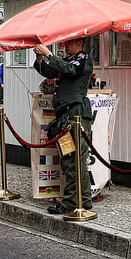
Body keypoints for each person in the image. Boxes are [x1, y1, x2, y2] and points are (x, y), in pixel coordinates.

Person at [33, 38, 93, 215]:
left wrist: (49, 54)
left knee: (75, 159)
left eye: (69, 43)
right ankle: (84, 199)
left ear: (79, 44)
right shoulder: (67, 60)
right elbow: (49, 71)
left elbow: (70, 70)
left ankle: (72, 202)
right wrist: (40, 59)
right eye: (65, 44)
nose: (65, 46)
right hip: (65, 115)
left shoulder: (83, 58)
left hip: (76, 115)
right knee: (69, 159)